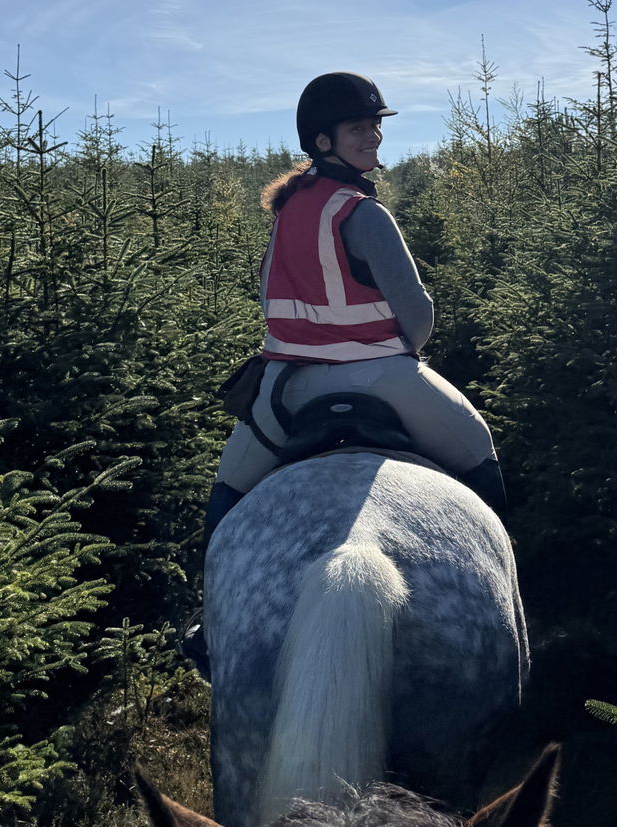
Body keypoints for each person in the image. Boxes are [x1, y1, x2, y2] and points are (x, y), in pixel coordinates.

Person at [202, 71, 505, 545]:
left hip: (286, 388)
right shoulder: (363, 212)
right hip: (384, 377)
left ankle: (209, 590)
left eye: (375, 125)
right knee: (478, 451)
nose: (373, 136)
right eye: (358, 128)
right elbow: (418, 316)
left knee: (228, 492)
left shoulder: (288, 210)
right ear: (323, 141)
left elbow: (268, 296)